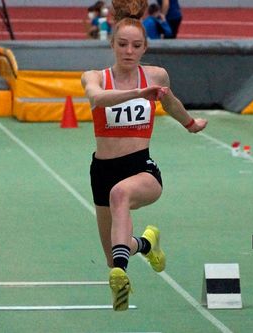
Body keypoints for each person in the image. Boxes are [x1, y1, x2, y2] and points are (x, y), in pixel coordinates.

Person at [81, 0, 207, 311]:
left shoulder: (156, 76)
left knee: (121, 194)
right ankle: (147, 244)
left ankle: (121, 277)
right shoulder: (94, 77)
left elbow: (170, 103)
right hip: (102, 171)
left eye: (136, 45)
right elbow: (97, 100)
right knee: (115, 250)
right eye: (122, 44)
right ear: (112, 44)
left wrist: (190, 123)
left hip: (141, 169)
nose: (128, 51)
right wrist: (138, 94)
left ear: (145, 47)